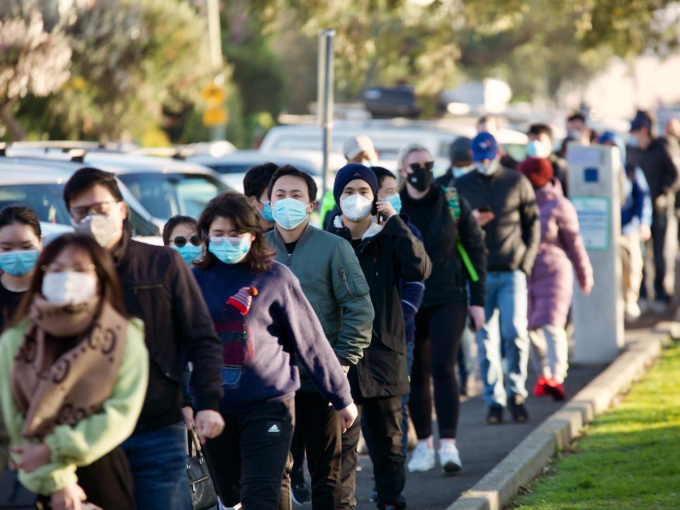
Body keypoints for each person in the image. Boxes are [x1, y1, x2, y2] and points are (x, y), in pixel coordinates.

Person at [62, 168, 225, 510]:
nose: (92, 219)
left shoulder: (160, 262)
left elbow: (202, 337)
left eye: (101, 208)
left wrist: (207, 401)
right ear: (70, 217)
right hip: (89, 432)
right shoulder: (63, 270)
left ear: (122, 210)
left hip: (157, 427)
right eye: (81, 212)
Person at [191, 191, 358, 510]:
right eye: (219, 234)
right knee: (230, 494)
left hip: (269, 405)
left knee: (262, 494)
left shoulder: (275, 278)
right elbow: (177, 345)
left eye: (236, 233)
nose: (227, 240)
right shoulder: (193, 280)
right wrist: (187, 402)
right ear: (207, 236)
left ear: (253, 236)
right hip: (214, 407)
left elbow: (311, 342)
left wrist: (341, 396)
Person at [0, 233, 149, 510]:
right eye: (57, 269)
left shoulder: (123, 336)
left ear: (100, 276)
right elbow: (14, 419)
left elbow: (120, 413)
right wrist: (57, 481)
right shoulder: (17, 339)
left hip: (99, 466)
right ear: (42, 275)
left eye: (80, 269)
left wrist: (52, 449)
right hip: (31, 474)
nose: (67, 277)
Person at [264, 165, 374, 509]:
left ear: (312, 204)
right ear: (268, 203)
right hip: (273, 380)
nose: (287, 202)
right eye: (280, 195)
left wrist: (341, 362)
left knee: (326, 471)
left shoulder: (333, 248)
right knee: (277, 469)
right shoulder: (256, 250)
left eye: (296, 195)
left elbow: (359, 308)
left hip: (322, 376)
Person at [326, 163, 432, 510]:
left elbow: (420, 268)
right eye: (348, 192)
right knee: (340, 449)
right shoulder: (327, 241)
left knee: (389, 443)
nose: (355, 199)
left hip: (385, 354)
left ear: (375, 199)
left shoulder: (389, 237)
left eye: (364, 192)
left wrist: (396, 223)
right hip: (341, 358)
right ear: (337, 197)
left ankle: (390, 502)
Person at [396, 145, 486, 474]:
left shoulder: (450, 201)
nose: (423, 170)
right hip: (410, 300)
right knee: (416, 373)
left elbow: (475, 249)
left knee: (443, 367)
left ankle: (448, 443)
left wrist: (478, 301)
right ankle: (424, 445)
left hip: (449, 296)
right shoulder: (395, 205)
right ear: (403, 170)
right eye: (416, 165)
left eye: (428, 164)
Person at [456, 133, 540, 424]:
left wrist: (526, 263)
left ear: (498, 152)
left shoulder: (516, 181)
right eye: (479, 159)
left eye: (489, 158)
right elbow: (450, 228)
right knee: (485, 340)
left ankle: (517, 392)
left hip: (511, 270)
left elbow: (533, 223)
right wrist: (471, 222)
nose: (485, 163)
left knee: (515, 332)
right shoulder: (461, 184)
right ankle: (494, 400)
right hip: (477, 275)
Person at [361, 166, 425, 501]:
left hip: (397, 338)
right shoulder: (341, 231)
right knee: (369, 427)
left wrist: (400, 317)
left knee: (392, 420)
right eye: (381, 192)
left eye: (390, 191)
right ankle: (382, 481)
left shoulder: (403, 230)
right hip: (355, 345)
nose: (387, 198)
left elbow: (418, 273)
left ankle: (390, 492)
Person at [518, 158, 593, 401]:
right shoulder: (517, 203)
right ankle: (543, 374)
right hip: (527, 274)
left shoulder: (560, 205)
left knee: (552, 324)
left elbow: (575, 244)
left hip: (554, 271)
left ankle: (556, 376)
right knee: (530, 329)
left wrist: (584, 275)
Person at [433, 137, 478, 395]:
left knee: (465, 329)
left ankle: (467, 374)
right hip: (447, 267)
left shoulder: (475, 183)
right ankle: (459, 374)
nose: (462, 167)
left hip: (467, 265)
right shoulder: (442, 186)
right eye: (459, 162)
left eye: (466, 162)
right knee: (457, 332)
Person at [0, 205, 43, 475]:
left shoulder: (56, 294)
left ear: (41, 243)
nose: (17, 256)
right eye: (6, 248)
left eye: (26, 246)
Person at [628, 110, 680, 313]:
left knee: (660, 255)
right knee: (640, 255)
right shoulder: (632, 152)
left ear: (644, 131)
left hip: (659, 210)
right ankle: (642, 295)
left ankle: (661, 293)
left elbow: (675, 176)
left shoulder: (662, 148)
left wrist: (663, 194)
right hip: (639, 212)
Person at [597, 132, 652, 321]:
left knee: (633, 267)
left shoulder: (631, 170)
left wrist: (643, 221)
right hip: (602, 231)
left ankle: (630, 301)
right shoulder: (595, 170)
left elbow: (642, 197)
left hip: (627, 228)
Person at [321, 135, 379, 229]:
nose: (363, 162)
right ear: (348, 161)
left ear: (376, 155)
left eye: (367, 157)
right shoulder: (333, 195)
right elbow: (326, 227)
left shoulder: (387, 185)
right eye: (357, 159)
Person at [527, 123, 569, 196]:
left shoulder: (559, 166)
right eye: (531, 140)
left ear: (551, 143)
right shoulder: (521, 166)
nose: (534, 144)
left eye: (539, 140)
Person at [244, 162, 279, 232]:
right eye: (271, 196)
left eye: (281, 195)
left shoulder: (291, 234)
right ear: (252, 201)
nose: (279, 201)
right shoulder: (243, 234)